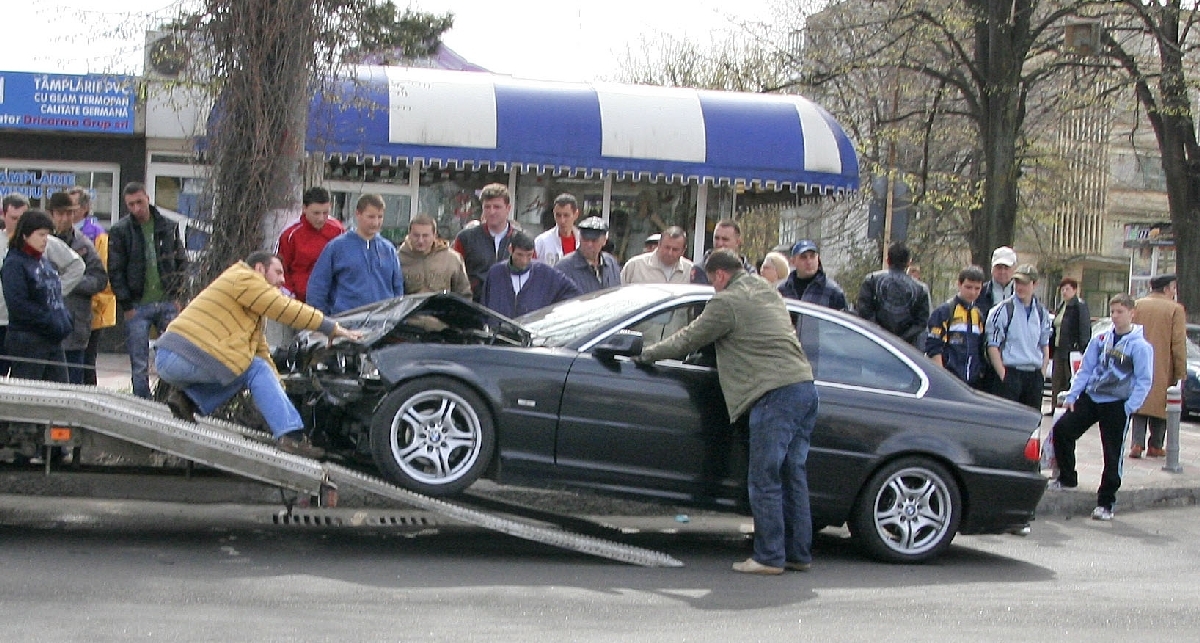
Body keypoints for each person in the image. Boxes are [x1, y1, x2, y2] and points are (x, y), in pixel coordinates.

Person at [636, 249, 818, 575]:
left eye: (711, 281)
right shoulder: (765, 288)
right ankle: (797, 553)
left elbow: (687, 340)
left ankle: (768, 557)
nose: (712, 287)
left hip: (771, 395)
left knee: (765, 478)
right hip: (803, 387)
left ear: (720, 275)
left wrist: (646, 354)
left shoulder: (726, 303)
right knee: (793, 475)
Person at [154, 251, 362, 458]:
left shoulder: (249, 301)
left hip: (175, 356)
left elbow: (260, 353)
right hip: (180, 355)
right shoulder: (245, 278)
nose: (282, 280)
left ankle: (187, 400)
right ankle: (292, 437)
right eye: (278, 272)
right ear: (260, 269)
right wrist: (330, 327)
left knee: (246, 366)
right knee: (248, 367)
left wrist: (278, 390)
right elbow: (285, 308)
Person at [1050, 293, 1153, 521]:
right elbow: (1085, 369)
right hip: (1092, 397)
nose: (1115, 316)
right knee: (1063, 430)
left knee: (1112, 452)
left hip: (1117, 403)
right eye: (1113, 311)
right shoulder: (1102, 339)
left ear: (1131, 313)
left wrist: (1131, 406)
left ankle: (1106, 502)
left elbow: (1144, 379)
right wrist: (1073, 394)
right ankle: (1067, 477)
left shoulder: (1140, 346)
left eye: (1120, 312)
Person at [107, 182, 190, 398]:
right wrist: (126, 304)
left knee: (174, 355)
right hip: (137, 304)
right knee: (139, 361)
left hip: (166, 301)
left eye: (139, 202)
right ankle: (142, 402)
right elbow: (115, 270)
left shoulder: (167, 226)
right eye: (131, 205)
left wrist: (177, 294)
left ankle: (171, 399)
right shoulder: (120, 231)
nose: (136, 208)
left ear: (147, 198)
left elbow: (181, 261)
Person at [0, 193, 84, 378]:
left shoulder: (43, 260)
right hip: (27, 338)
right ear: (26, 235)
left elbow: (59, 286)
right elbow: (18, 305)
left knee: (60, 391)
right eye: (41, 235)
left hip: (52, 338)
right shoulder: (15, 263)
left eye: (47, 235)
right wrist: (50, 320)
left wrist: (63, 318)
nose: (45, 240)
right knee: (29, 395)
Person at [306, 194, 404, 315]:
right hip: (346, 322)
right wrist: (324, 321)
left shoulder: (389, 250)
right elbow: (317, 287)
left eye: (380, 217)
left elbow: (398, 288)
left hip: (382, 323)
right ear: (358, 214)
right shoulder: (337, 247)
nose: (376, 222)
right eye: (371, 217)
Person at [47, 191, 109, 385]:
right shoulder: (40, 240)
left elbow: (100, 279)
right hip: (45, 326)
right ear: (51, 214)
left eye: (69, 213)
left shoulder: (83, 244)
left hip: (75, 328)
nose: (65, 219)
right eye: (60, 214)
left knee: (73, 384)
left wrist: (70, 282)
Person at [1129, 273, 1187, 459]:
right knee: (1162, 406)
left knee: (1140, 403)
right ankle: (1155, 444)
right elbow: (1178, 343)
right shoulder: (1175, 309)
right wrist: (1180, 371)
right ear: (1166, 288)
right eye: (1173, 288)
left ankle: (1136, 444)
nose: (1174, 292)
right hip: (1163, 365)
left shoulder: (1138, 305)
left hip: (1138, 363)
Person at [67, 186, 118, 386]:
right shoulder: (58, 232)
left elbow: (102, 273)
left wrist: (94, 305)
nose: (68, 211)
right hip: (67, 308)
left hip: (93, 309)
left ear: (85, 208)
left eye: (72, 206)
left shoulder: (96, 234)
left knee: (86, 363)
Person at [985, 264, 1052, 410]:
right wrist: (1004, 375)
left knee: (1031, 424)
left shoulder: (1042, 313)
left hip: (1033, 374)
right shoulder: (1003, 310)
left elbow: (1044, 343)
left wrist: (1042, 372)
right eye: (1017, 283)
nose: (1020, 287)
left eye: (1025, 283)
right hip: (1011, 371)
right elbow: (992, 345)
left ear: (1034, 284)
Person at [481, 230, 580, 317]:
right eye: (519, 255)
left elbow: (573, 293)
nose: (524, 261)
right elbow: (484, 309)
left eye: (529, 255)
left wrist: (553, 315)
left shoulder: (545, 274)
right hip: (499, 335)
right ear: (510, 249)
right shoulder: (495, 273)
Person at [277, 186, 344, 302]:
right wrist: (290, 297)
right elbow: (280, 269)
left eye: (325, 213)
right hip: (299, 301)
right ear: (304, 209)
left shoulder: (338, 230)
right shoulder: (290, 235)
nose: (321, 218)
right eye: (316, 213)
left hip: (331, 301)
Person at [856, 242, 930, 346]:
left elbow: (864, 312)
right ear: (909, 262)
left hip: (874, 343)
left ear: (887, 260)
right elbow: (921, 323)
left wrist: (880, 333)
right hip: (905, 349)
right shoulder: (921, 290)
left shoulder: (871, 280)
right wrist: (901, 339)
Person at [454, 183, 518, 301]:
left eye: (497, 207)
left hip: (510, 309)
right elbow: (453, 275)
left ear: (508, 208)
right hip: (474, 308)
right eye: (487, 207)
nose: (491, 212)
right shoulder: (466, 238)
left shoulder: (520, 239)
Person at [925, 265, 987, 387]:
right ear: (959, 284)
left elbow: (980, 348)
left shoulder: (978, 315)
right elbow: (934, 348)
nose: (972, 292)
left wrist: (980, 372)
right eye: (968, 287)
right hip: (949, 379)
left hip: (972, 382)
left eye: (977, 288)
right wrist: (941, 378)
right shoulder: (944, 311)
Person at [397, 213, 471, 297]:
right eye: (416, 235)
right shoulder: (398, 259)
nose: (420, 240)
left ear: (434, 235)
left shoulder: (452, 259)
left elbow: (464, 293)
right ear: (409, 235)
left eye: (425, 236)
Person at [1049, 277, 1092, 410]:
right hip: (1058, 348)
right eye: (1062, 289)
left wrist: (1081, 348)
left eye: (1067, 289)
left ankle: (1070, 406)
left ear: (1074, 290)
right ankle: (1056, 406)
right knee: (1056, 380)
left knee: (1070, 379)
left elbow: (1084, 328)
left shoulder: (1079, 306)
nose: (1064, 292)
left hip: (1071, 350)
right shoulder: (1062, 306)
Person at [555, 216, 621, 294]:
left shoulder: (611, 264)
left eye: (594, 240)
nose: (589, 244)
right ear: (580, 238)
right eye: (585, 240)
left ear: (604, 241)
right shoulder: (564, 268)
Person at [777, 240, 848, 311]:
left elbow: (844, 319)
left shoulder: (832, 291)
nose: (809, 262)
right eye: (803, 257)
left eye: (812, 256)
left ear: (818, 259)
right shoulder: (783, 290)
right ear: (793, 261)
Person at [690, 219, 756, 284]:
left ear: (737, 242)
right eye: (717, 238)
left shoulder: (750, 273)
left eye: (725, 239)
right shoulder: (700, 270)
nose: (720, 243)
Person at [620, 226, 693, 284]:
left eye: (675, 249)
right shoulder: (635, 266)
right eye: (667, 247)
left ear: (683, 251)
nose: (669, 253)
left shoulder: (690, 271)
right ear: (659, 245)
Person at [533, 193, 580, 267]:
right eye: (558, 215)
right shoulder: (542, 241)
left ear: (576, 215)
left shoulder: (583, 242)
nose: (562, 220)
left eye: (566, 215)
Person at [977, 246, 1017, 316]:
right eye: (999, 267)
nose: (1002, 272)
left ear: (1014, 268)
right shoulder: (979, 293)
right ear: (992, 268)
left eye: (1006, 268)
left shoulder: (1021, 294)